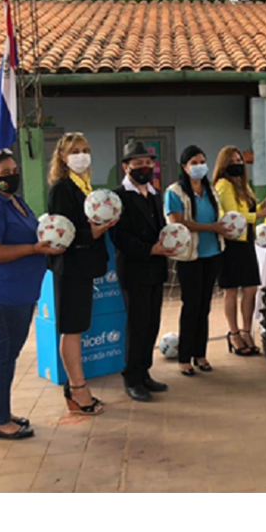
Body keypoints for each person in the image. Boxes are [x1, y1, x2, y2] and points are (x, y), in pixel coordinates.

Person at [0, 149, 63, 440]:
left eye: (14, 171)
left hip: (16, 293)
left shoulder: (13, 200)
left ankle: (2, 413)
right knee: (2, 356)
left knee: (8, 355)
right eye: (4, 174)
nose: (12, 177)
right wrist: (34, 249)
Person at [47, 133, 117, 415]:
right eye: (75, 151)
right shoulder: (61, 189)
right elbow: (61, 233)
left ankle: (78, 387)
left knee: (78, 326)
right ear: (62, 157)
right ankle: (77, 389)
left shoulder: (86, 187)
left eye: (86, 150)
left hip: (84, 267)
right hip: (70, 268)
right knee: (72, 329)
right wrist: (94, 232)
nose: (81, 155)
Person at [111, 142, 176, 402]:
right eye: (138, 164)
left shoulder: (155, 194)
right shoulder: (118, 197)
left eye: (149, 163)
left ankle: (145, 371)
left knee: (151, 324)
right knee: (137, 325)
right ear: (126, 167)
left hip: (156, 269)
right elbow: (120, 237)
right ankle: (132, 378)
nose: (145, 167)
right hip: (134, 268)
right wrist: (151, 250)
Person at [165, 146, 229, 377]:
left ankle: (200, 354)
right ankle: (184, 358)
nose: (199, 165)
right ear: (184, 166)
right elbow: (178, 222)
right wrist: (210, 227)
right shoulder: (174, 192)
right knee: (191, 306)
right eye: (194, 162)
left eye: (203, 161)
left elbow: (219, 218)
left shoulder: (210, 190)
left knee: (205, 307)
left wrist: (225, 228)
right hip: (189, 256)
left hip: (212, 253)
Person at [213, 146, 266, 357]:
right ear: (224, 164)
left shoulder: (243, 185)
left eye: (240, 160)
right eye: (233, 161)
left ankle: (246, 330)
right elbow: (234, 216)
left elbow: (251, 209)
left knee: (251, 288)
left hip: (247, 240)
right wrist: (261, 215)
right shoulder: (223, 185)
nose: (238, 164)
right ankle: (234, 333)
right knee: (231, 289)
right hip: (232, 242)